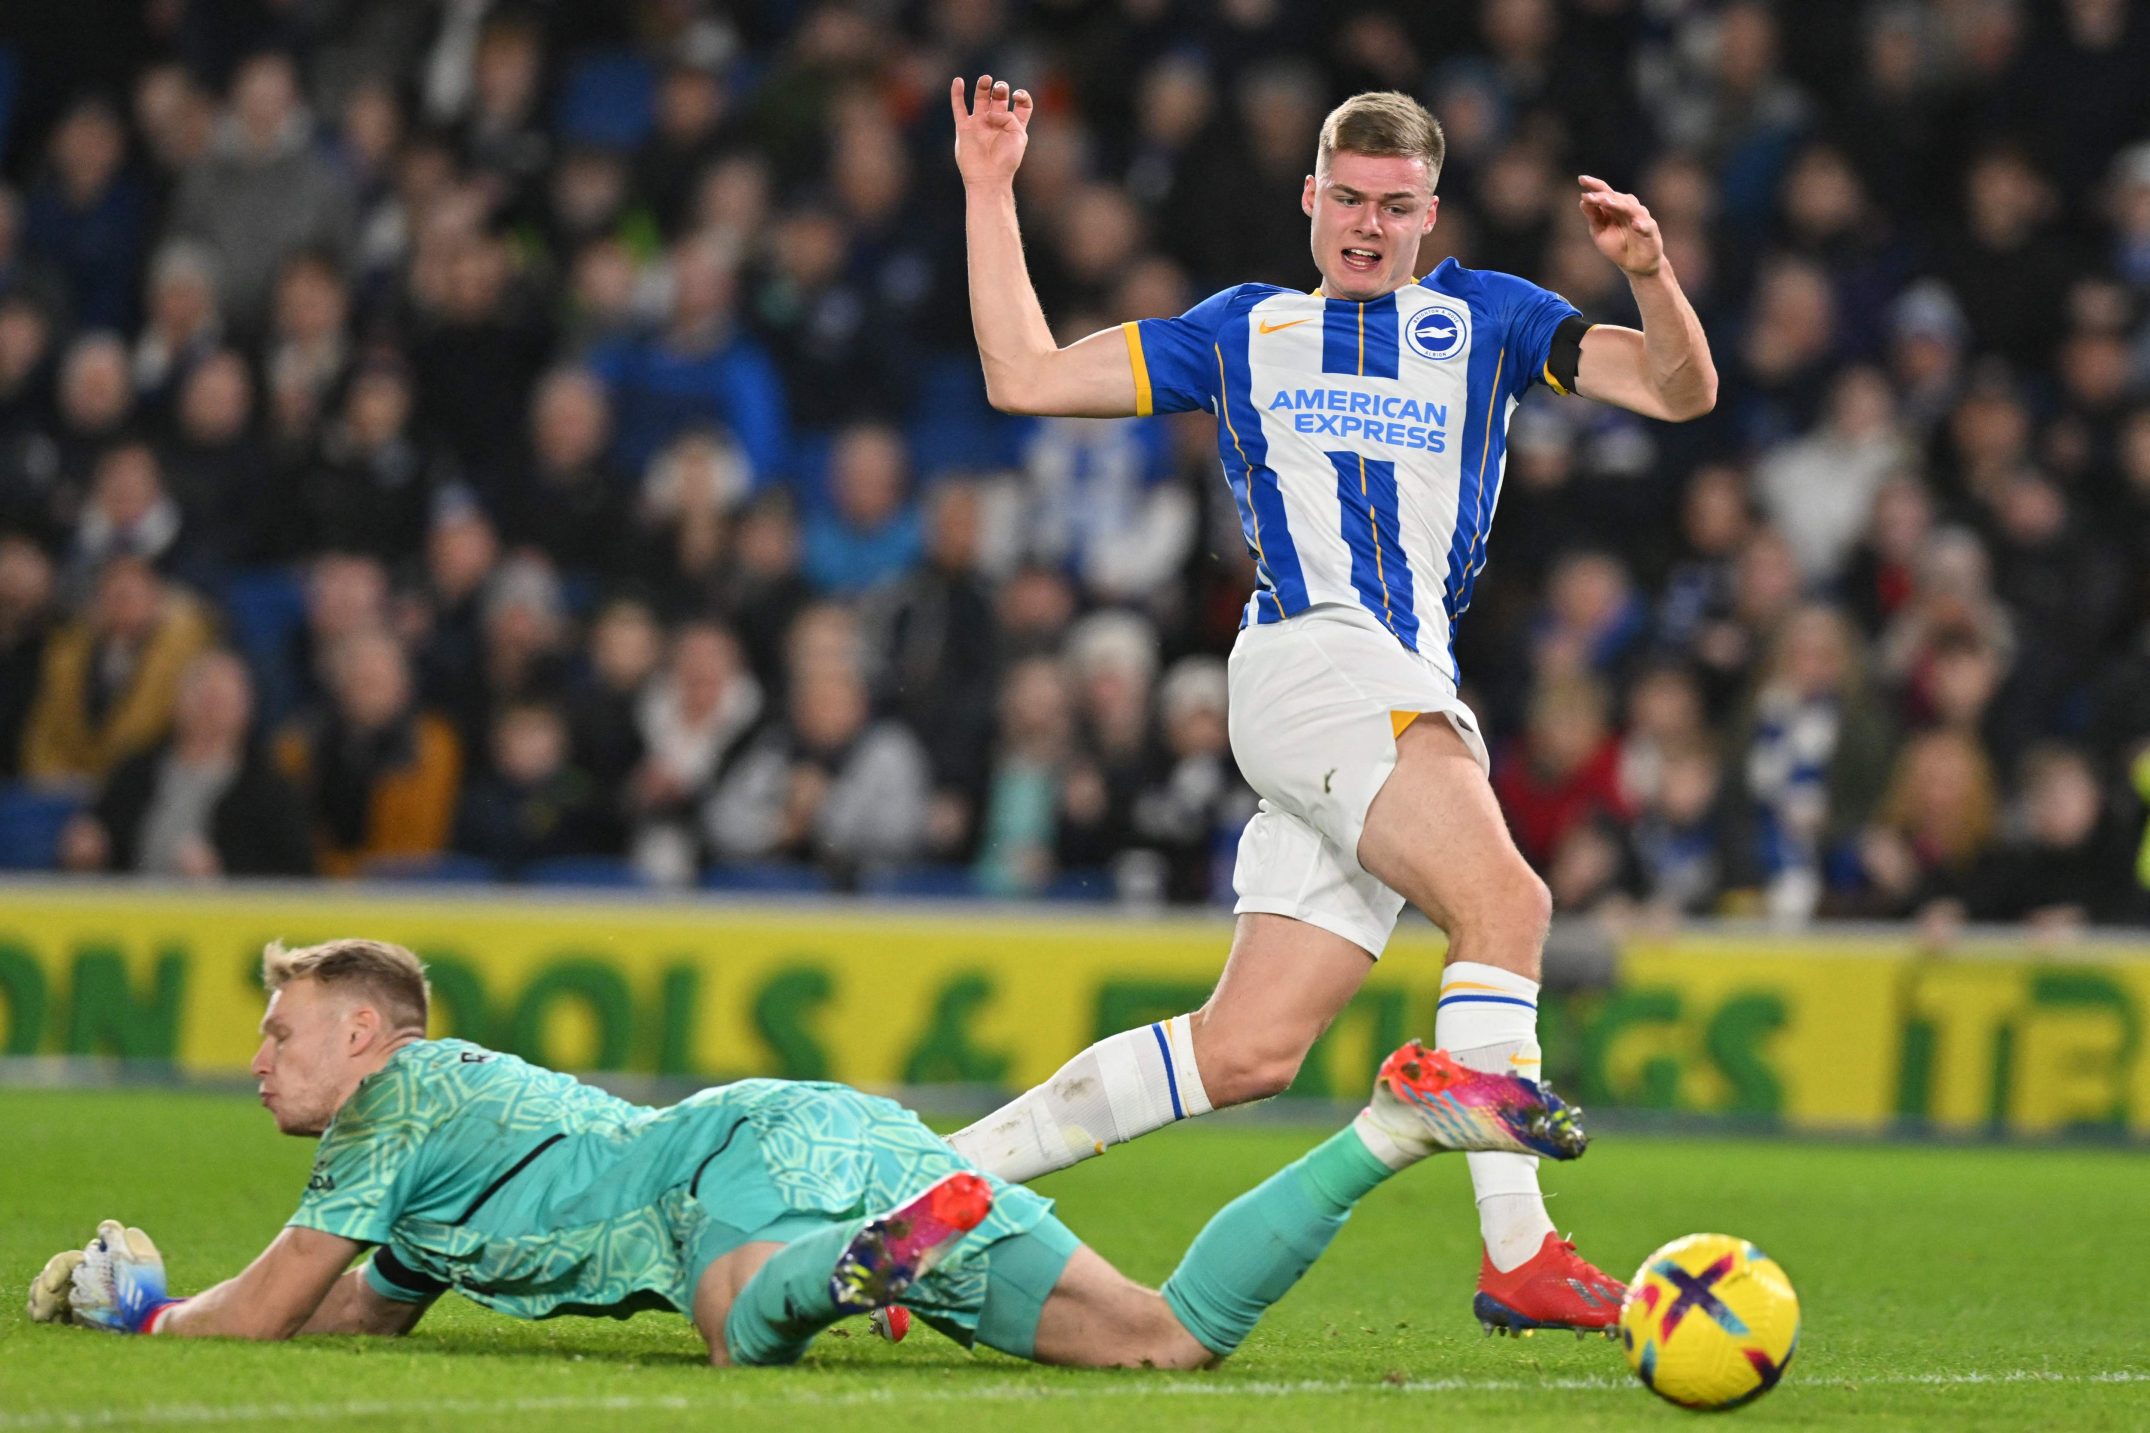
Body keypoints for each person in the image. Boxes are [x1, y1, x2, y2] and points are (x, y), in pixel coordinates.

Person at [944, 76, 1716, 1333]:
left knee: (1244, 1050)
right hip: (1312, 658)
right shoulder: (1242, 331)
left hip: (1389, 676)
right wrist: (988, 192)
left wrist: (1648, 273)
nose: (1365, 225)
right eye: (1345, 199)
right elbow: (1022, 377)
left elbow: (1679, 392)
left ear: (1429, 215)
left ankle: (935, 1180)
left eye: (1394, 205)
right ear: (1309, 199)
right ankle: (1518, 1250)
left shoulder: (1487, 320)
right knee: (1507, 901)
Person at [26, 938, 1586, 1370]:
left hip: (733, 1165)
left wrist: (141, 1309)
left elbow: (269, 1306)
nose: (258, 1063)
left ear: (367, 1037)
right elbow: (366, 1304)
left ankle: (834, 1280)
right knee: (1162, 1340)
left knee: (734, 1320)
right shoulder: (437, 1156)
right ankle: (1397, 1124)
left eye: (283, 1034)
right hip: (854, 1130)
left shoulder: (394, 1106)